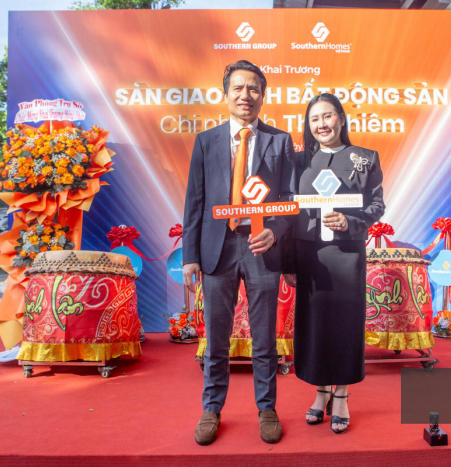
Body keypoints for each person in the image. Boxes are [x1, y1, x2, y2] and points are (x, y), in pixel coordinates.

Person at [182, 60, 295, 445]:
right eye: (238, 88)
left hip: (261, 247)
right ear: (226, 94)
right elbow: (194, 201)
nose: (246, 96)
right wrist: (190, 256)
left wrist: (275, 233)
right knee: (217, 337)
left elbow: (289, 199)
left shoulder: (280, 141)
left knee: (264, 336)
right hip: (217, 248)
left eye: (253, 89)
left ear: (263, 95)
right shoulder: (206, 141)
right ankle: (211, 408)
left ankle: (267, 408)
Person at [284, 93, 385, 434]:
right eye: (314, 119)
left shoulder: (365, 158)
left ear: (341, 118)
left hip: (345, 255)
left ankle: (341, 394)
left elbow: (376, 206)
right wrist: (289, 262)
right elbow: (289, 214)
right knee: (314, 325)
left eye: (327, 116)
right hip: (309, 256)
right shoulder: (298, 161)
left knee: (343, 324)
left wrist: (350, 222)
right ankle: (321, 390)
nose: (321, 124)